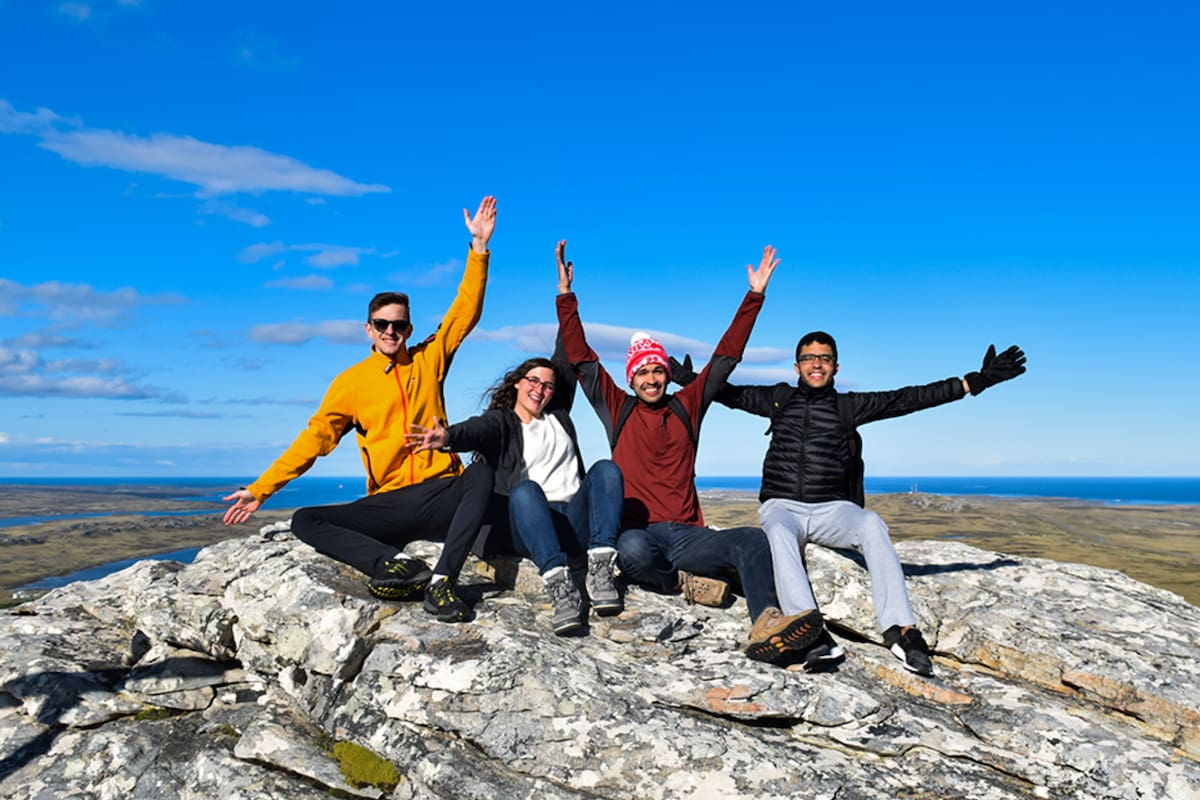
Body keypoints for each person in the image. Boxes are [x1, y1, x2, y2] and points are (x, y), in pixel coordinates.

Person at [672, 331, 1027, 674]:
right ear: (796, 367)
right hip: (783, 505)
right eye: (808, 358)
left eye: (824, 359)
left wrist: (974, 381)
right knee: (777, 531)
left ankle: (901, 631)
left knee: (871, 523)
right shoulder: (778, 399)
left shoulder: (849, 406)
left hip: (832, 509)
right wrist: (691, 380)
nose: (816, 365)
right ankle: (809, 631)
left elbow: (910, 398)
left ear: (835, 367)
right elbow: (729, 394)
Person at [222, 196, 498, 624]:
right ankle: (391, 565)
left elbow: (464, 313)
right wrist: (261, 489)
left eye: (399, 325)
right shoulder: (351, 383)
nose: (391, 331)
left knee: (481, 473)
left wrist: (478, 249)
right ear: (369, 329)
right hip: (389, 504)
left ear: (409, 329)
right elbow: (314, 440)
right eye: (382, 324)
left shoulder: (428, 359)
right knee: (306, 520)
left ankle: (442, 581)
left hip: (440, 492)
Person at [555, 240, 824, 664]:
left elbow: (724, 359)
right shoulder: (618, 408)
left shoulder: (686, 407)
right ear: (631, 377)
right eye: (642, 372)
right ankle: (680, 584)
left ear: (667, 373)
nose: (651, 378)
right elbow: (582, 360)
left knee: (752, 540)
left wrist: (754, 296)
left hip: (687, 533)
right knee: (632, 553)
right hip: (637, 534)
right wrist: (566, 298)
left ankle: (766, 621)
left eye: (657, 370)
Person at [406, 347, 624, 636]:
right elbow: (477, 429)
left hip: (573, 520)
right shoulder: (502, 421)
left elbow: (563, 353)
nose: (540, 389)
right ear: (517, 383)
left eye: (548, 385)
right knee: (525, 490)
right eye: (533, 381)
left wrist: (565, 300)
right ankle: (560, 588)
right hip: (531, 523)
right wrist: (448, 437)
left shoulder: (559, 416)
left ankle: (600, 569)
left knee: (607, 470)